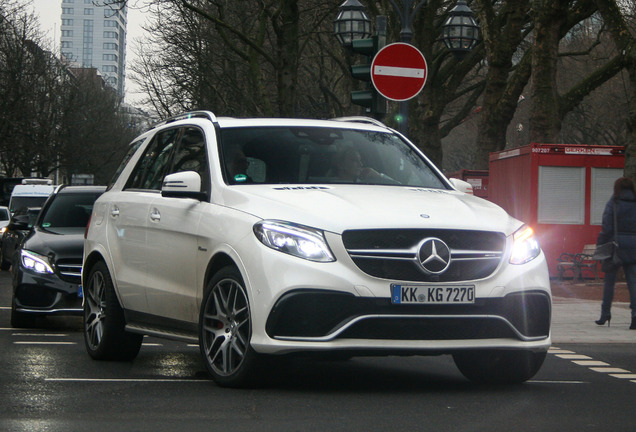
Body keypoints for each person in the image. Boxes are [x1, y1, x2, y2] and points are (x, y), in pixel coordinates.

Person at [595, 177, 636, 329]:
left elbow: (606, 226)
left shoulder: (613, 203)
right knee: (633, 282)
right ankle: (635, 314)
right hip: (634, 246)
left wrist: (601, 244)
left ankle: (605, 313)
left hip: (615, 246)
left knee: (609, 282)